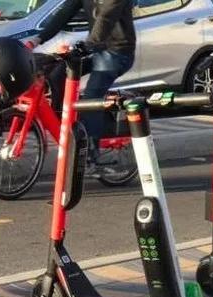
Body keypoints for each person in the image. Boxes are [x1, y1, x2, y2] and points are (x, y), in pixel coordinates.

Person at [30, 0, 136, 173]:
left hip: (117, 53)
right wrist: (37, 40)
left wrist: (88, 44)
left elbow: (106, 17)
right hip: (98, 49)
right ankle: (71, 127)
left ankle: (90, 155)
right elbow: (64, 13)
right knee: (57, 75)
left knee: (91, 99)